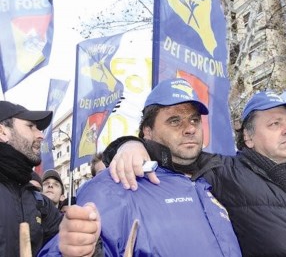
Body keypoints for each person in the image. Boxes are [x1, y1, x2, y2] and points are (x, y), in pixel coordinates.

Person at [104, 90, 286, 256]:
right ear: (248, 137)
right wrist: (130, 144)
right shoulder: (225, 172)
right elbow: (175, 152)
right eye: (274, 123)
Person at [39, 78, 241, 256]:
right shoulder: (116, 184)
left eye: (194, 120)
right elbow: (68, 246)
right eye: (175, 120)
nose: (190, 128)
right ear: (148, 131)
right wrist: (77, 250)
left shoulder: (209, 181)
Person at [0, 101, 62, 256]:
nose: (41, 135)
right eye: (30, 126)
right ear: (2, 132)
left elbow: (63, 242)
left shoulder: (39, 202)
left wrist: (81, 236)